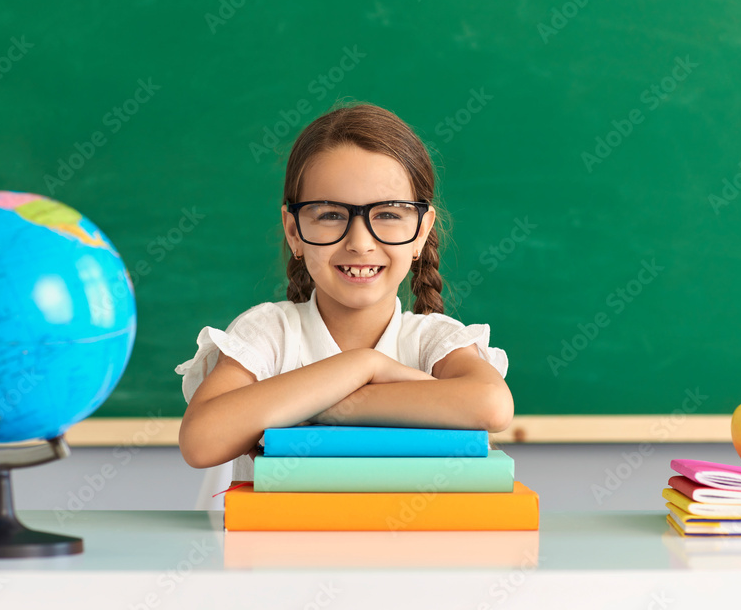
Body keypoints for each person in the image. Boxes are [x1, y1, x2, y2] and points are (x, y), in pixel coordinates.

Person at [175, 102, 512, 504]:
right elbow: (201, 441)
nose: (360, 242)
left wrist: (315, 409)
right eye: (331, 214)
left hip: (410, 561)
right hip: (278, 562)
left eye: (388, 214)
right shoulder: (269, 333)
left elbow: (491, 405)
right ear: (294, 230)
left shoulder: (432, 341)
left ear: (422, 232)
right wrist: (364, 365)